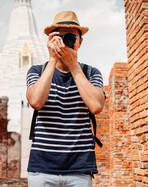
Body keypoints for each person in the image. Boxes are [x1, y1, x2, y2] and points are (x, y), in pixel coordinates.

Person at [26, 10, 105, 187]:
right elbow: (36, 102)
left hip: (79, 168)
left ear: (80, 42)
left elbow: (96, 106)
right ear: (50, 41)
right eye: (59, 37)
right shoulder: (37, 71)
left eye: (70, 37)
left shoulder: (91, 73)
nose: (64, 42)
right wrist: (52, 60)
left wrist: (73, 66)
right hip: (42, 167)